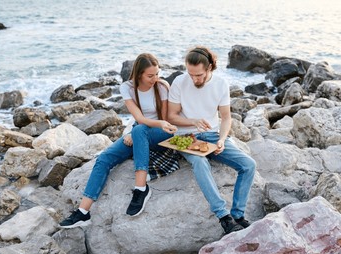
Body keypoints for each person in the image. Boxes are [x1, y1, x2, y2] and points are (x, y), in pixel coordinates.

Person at [59, 53, 177, 228]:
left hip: (163, 132)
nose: (155, 78)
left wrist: (137, 131)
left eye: (157, 73)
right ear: (139, 75)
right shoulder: (127, 88)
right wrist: (133, 132)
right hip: (139, 129)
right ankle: (83, 212)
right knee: (104, 159)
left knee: (139, 131)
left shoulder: (162, 87)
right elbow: (138, 117)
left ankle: (141, 189)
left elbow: (165, 120)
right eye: (150, 76)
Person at [167, 46, 256, 235]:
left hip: (212, 136)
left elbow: (226, 118)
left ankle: (238, 215)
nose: (194, 79)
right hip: (185, 137)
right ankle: (224, 217)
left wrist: (222, 140)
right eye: (190, 74)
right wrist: (192, 121)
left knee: (248, 165)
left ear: (210, 68)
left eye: (198, 75)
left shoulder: (220, 84)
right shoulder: (179, 82)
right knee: (200, 162)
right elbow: (171, 116)